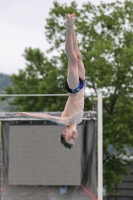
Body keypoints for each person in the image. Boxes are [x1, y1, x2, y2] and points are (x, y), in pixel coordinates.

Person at [14, 13, 86, 149]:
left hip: (73, 89)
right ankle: (71, 26)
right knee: (78, 56)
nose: (73, 137)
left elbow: (47, 116)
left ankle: (69, 27)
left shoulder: (65, 121)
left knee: (72, 59)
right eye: (74, 139)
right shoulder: (80, 120)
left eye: (69, 137)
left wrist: (27, 114)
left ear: (64, 132)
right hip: (82, 85)